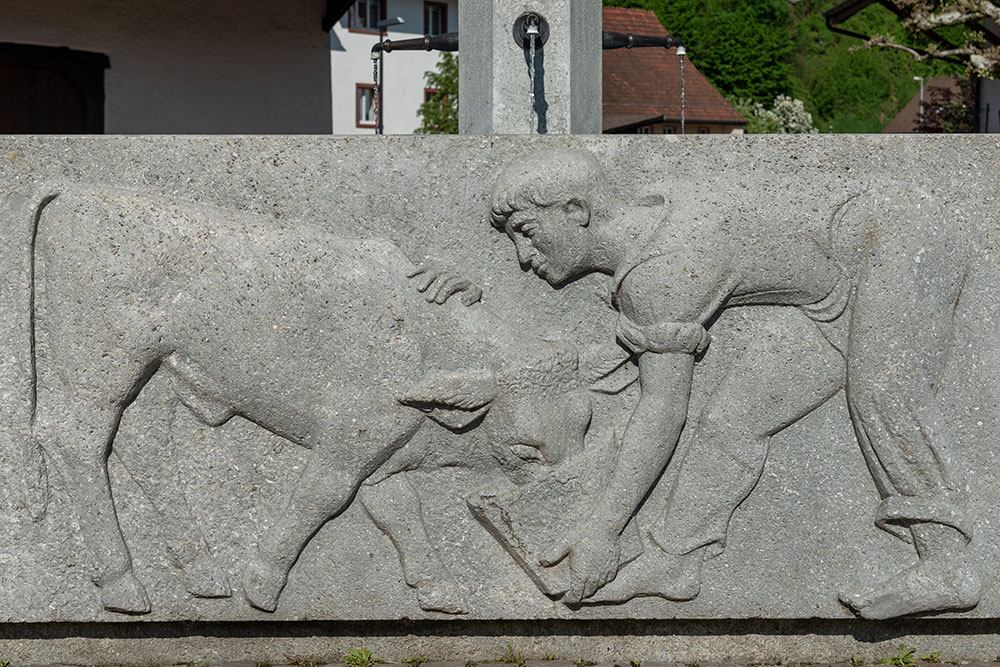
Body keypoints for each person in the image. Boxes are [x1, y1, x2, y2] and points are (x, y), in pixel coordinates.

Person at [488, 147, 985, 620]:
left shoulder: (661, 274)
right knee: (733, 420)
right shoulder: (651, 209)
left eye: (528, 232)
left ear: (577, 210)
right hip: (829, 289)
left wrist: (601, 531)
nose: (523, 256)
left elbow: (662, 408)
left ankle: (948, 568)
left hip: (898, 233)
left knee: (882, 387)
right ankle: (674, 561)